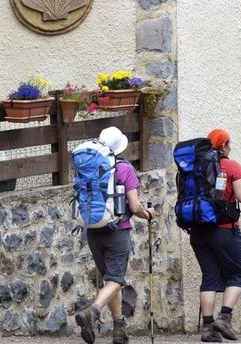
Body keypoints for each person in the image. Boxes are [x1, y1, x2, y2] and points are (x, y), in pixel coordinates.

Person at [75, 126, 154, 344]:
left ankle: (119, 328)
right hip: (117, 231)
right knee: (115, 280)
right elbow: (135, 205)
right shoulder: (124, 168)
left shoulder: (89, 167)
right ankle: (92, 311)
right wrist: (148, 214)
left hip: (93, 230)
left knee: (110, 281)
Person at [193, 128, 241, 342]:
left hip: (198, 230)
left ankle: (208, 328)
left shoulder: (196, 166)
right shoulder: (230, 165)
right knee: (239, 272)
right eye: (229, 143)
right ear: (224, 145)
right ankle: (225, 318)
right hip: (224, 229)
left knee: (210, 277)